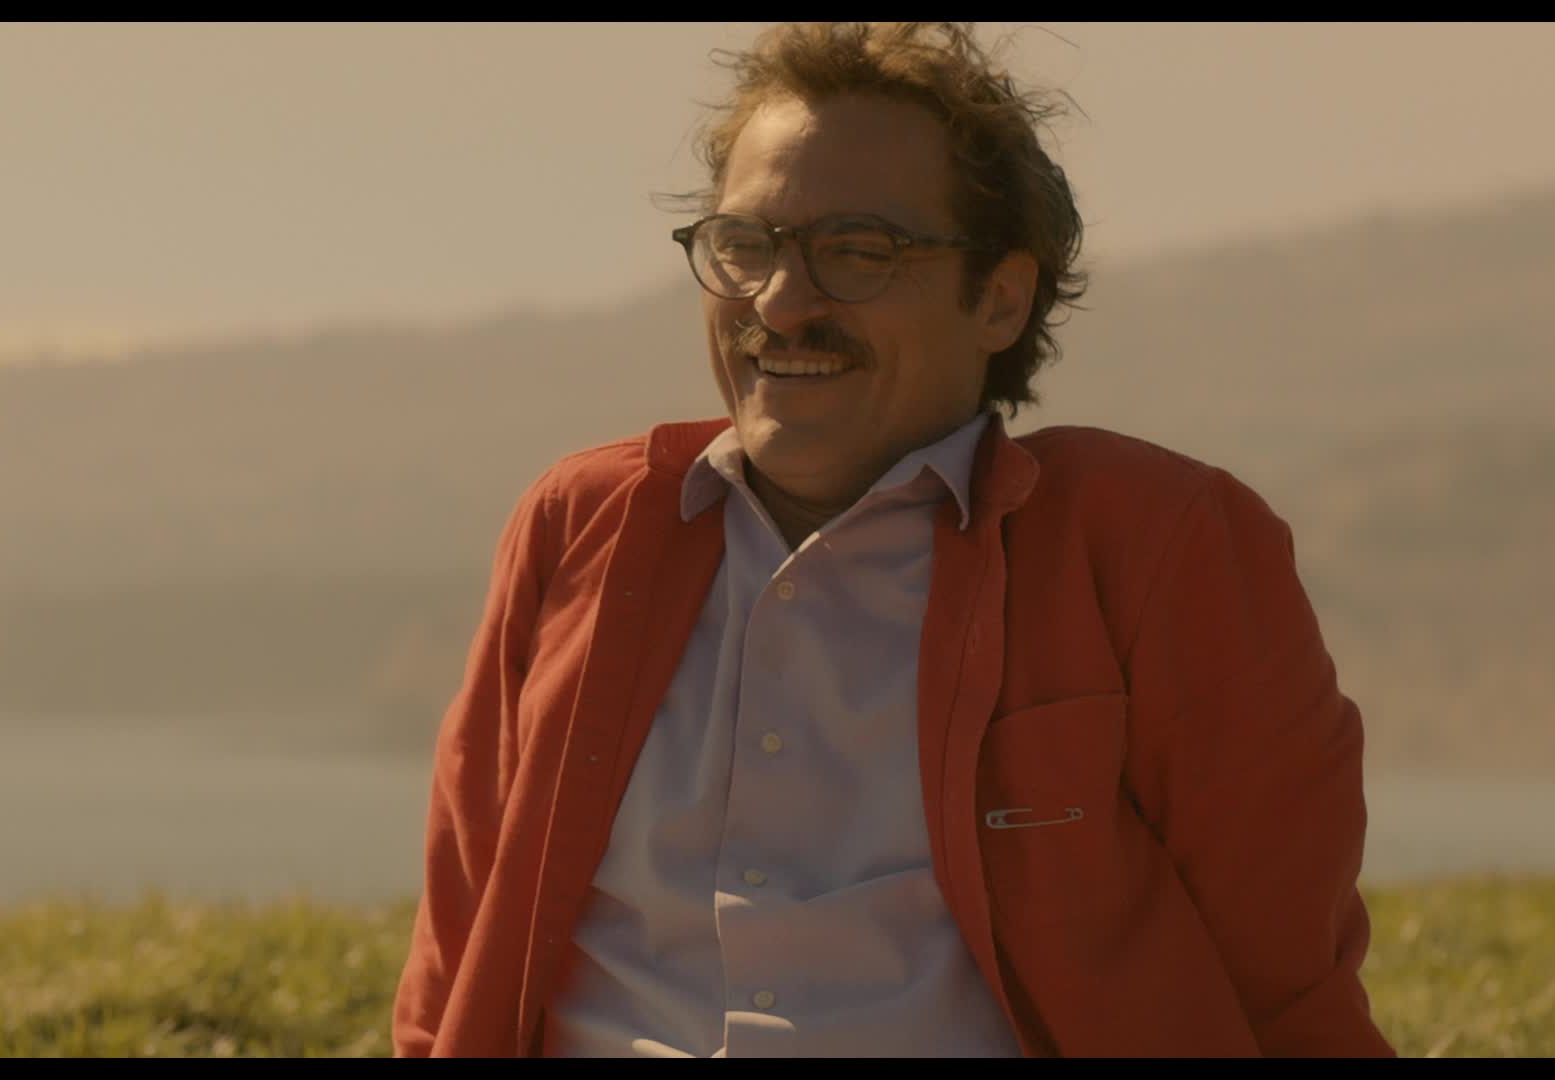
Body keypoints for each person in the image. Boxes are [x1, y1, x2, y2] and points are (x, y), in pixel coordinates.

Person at [391, 22, 1394, 1058]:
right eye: (745, 246)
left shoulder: (1156, 548)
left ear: (1000, 299)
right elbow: (458, 956)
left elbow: (1286, 990)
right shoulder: (581, 525)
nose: (782, 303)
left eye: (857, 252)